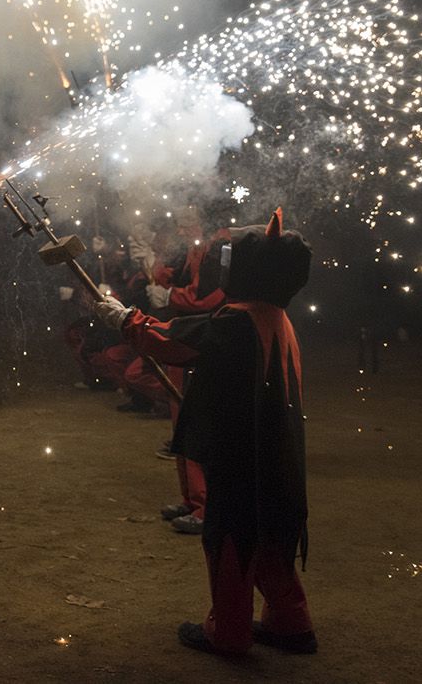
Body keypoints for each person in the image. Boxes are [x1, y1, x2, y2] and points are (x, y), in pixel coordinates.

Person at [92, 208, 315, 657]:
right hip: (276, 454)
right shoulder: (274, 316)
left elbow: (175, 340)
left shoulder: (240, 319)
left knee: (231, 539)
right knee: (271, 537)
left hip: (243, 451)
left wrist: (125, 320)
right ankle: (291, 622)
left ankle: (228, 632)